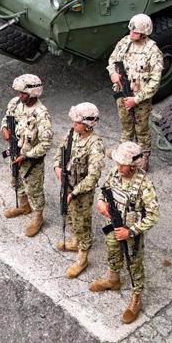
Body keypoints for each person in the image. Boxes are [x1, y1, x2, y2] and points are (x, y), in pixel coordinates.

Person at [91, 140, 159, 324]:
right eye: (118, 163)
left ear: (132, 165)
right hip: (113, 225)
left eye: (123, 164)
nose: (118, 167)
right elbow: (104, 191)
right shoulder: (115, 172)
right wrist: (100, 202)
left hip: (130, 232)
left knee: (134, 264)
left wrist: (131, 232)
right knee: (112, 250)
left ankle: (136, 298)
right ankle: (113, 280)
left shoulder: (144, 185)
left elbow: (152, 215)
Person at [54, 102, 105, 277]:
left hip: (81, 192)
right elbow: (59, 153)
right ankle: (74, 241)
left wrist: (74, 193)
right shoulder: (71, 134)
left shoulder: (95, 145)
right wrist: (57, 167)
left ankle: (82, 258)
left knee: (82, 224)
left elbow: (92, 178)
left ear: (88, 124)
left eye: (77, 122)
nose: (73, 125)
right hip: (67, 184)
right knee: (69, 215)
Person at [1, 74, 53, 235]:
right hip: (15, 152)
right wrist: (4, 129)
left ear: (33, 92)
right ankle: (23, 206)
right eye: (19, 92)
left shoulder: (41, 114)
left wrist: (27, 156)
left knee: (34, 189)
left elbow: (46, 143)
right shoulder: (16, 104)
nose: (19, 96)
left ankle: (38, 217)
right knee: (17, 181)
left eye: (23, 93)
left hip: (31, 160)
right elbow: (6, 118)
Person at [107, 14, 163, 149]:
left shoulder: (153, 52)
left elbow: (155, 82)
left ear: (144, 33)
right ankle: (124, 153)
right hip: (122, 92)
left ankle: (143, 157)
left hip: (140, 98)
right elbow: (112, 59)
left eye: (135, 32)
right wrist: (113, 73)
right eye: (130, 30)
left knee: (141, 131)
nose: (131, 34)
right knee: (126, 127)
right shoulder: (125, 42)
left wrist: (136, 100)